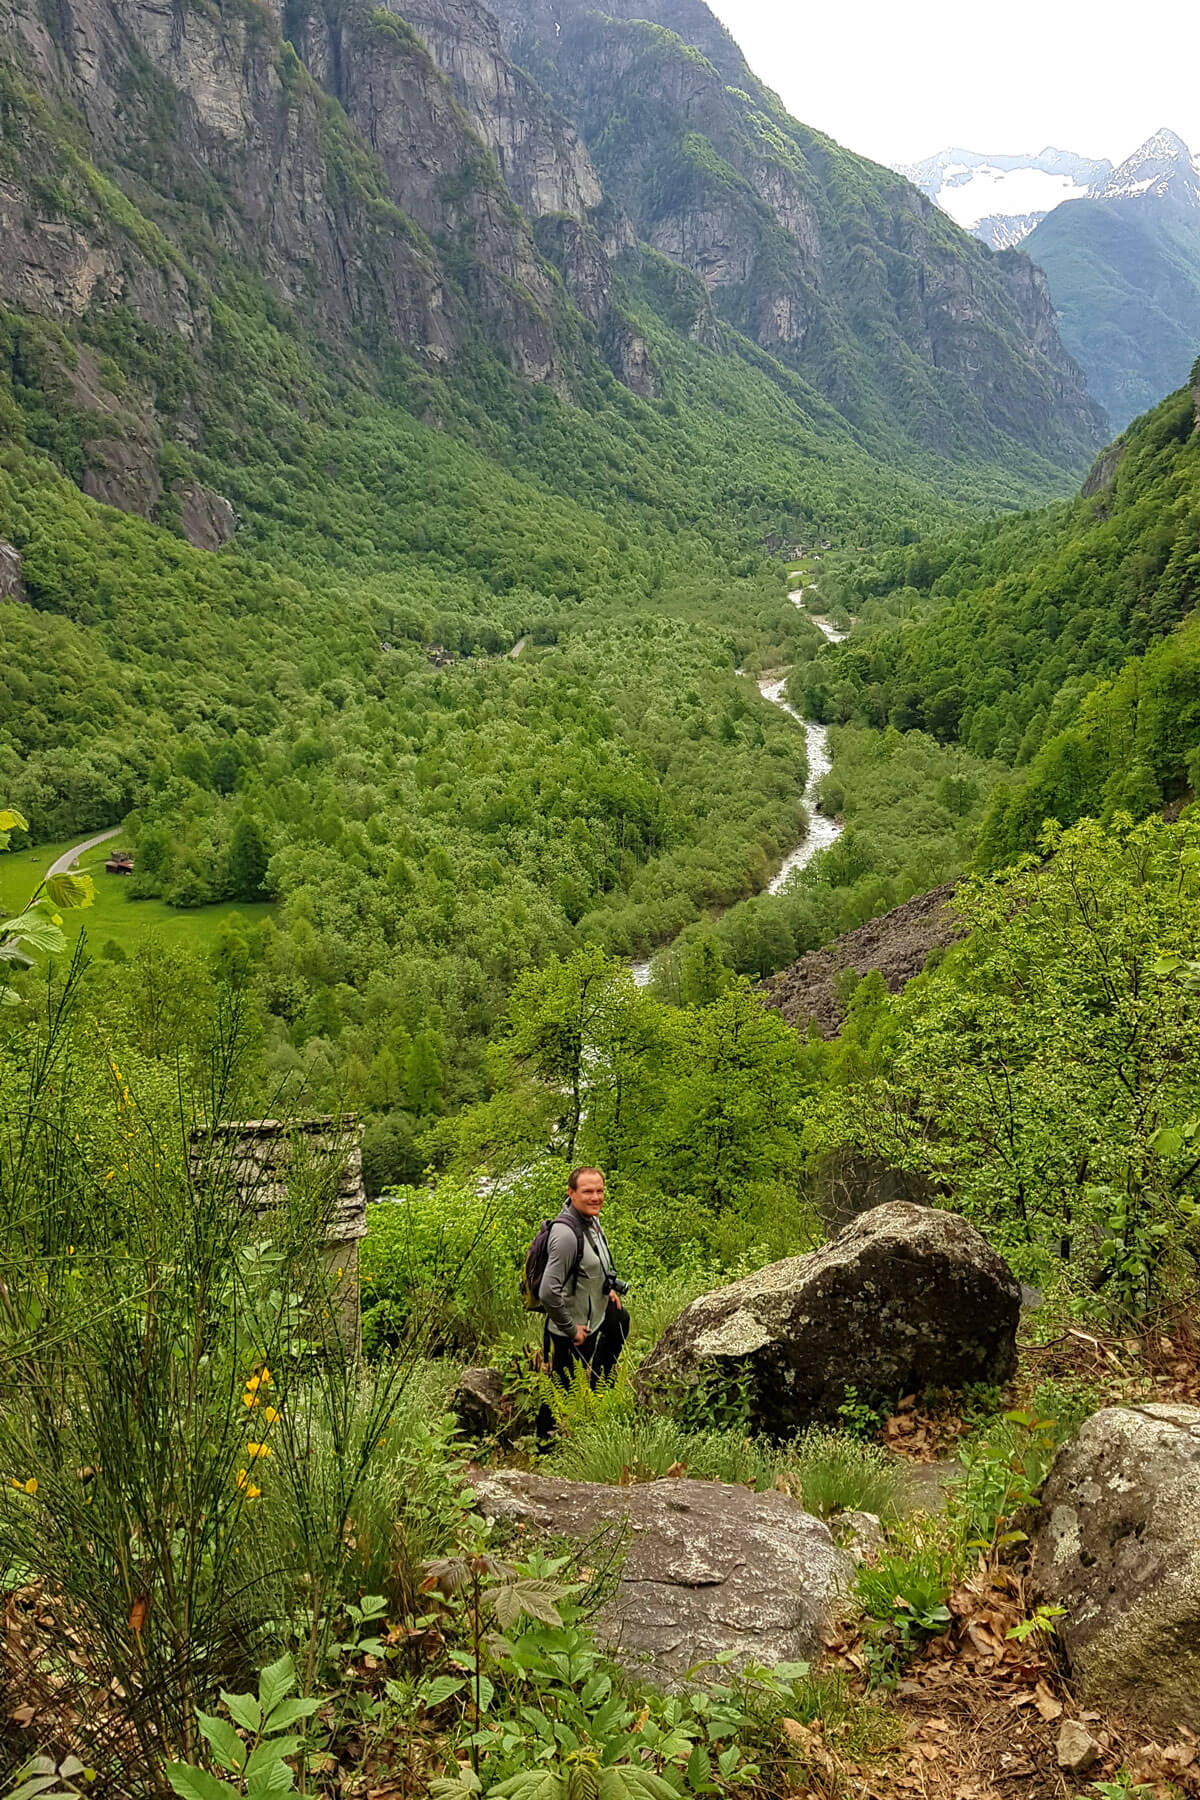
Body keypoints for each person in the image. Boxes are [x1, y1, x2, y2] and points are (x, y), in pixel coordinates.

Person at [537, 1166, 629, 1438]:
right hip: (575, 1326)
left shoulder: (591, 1220)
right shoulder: (566, 1235)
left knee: (620, 1322)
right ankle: (545, 1444)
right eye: (588, 1191)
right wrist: (570, 1328)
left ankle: (597, 1393)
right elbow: (548, 1292)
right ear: (571, 1193)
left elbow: (590, 1264)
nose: (596, 1197)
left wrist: (605, 1288)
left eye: (600, 1191)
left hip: (596, 1309)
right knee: (560, 1389)